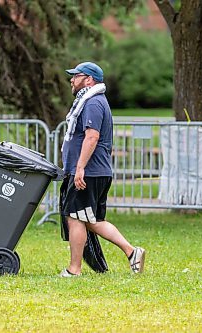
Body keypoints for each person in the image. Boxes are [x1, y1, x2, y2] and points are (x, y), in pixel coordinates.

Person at [59, 61, 146, 277]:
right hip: (94, 171)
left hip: (90, 172)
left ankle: (75, 269)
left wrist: (80, 169)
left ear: (88, 79)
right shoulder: (92, 101)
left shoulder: (92, 103)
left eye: (76, 76)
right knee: (91, 219)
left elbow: (92, 136)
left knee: (76, 217)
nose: (72, 79)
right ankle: (131, 252)